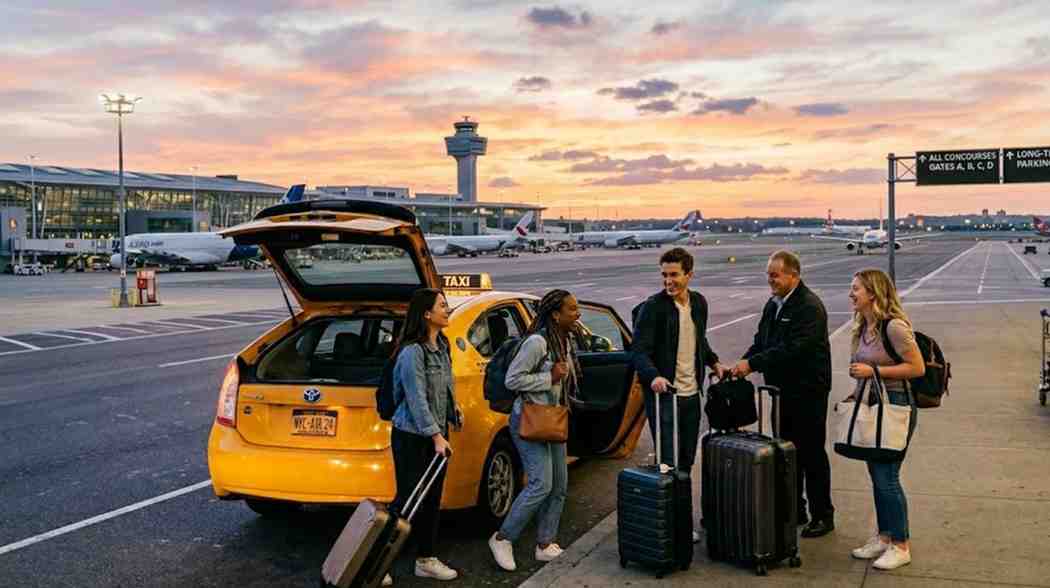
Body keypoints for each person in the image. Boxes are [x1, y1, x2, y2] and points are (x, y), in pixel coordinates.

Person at [732, 250, 834, 538]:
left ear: (793, 275)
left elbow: (791, 349)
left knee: (811, 453)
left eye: (775, 275)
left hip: (807, 391)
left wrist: (752, 364)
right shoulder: (774, 304)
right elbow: (762, 342)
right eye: (768, 274)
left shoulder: (809, 307)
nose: (770, 280)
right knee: (787, 453)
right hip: (781, 392)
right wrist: (743, 364)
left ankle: (823, 515)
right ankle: (795, 508)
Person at [631, 247, 727, 542]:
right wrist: (654, 377)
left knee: (686, 461)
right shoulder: (653, 307)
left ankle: (682, 521)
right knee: (667, 462)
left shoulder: (698, 303)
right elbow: (638, 351)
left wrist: (713, 362)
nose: (668, 281)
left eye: (674, 275)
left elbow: (700, 339)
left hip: (690, 396)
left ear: (689, 275)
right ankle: (670, 523)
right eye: (664, 275)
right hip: (665, 397)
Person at [489, 289, 581, 572]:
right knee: (541, 483)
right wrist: (549, 377)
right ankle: (503, 538)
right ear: (556, 314)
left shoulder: (562, 339)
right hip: (529, 419)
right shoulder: (537, 342)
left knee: (559, 484)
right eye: (572, 309)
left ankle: (545, 544)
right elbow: (513, 379)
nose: (577, 313)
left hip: (552, 418)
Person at [845, 269, 924, 570]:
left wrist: (874, 373)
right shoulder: (864, 326)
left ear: (873, 294)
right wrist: (857, 392)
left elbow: (917, 368)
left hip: (897, 405)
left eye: (856, 289)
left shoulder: (894, 328)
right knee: (877, 476)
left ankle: (901, 545)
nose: (851, 294)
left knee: (887, 477)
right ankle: (884, 536)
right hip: (873, 405)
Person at [387, 288, 463, 584]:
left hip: (437, 435)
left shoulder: (441, 346)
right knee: (407, 500)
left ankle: (426, 559)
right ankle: (376, 563)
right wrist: (434, 435)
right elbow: (415, 398)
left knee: (431, 500)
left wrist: (453, 410)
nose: (448, 310)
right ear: (426, 314)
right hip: (411, 436)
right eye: (442, 306)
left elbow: (443, 386)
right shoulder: (411, 352)